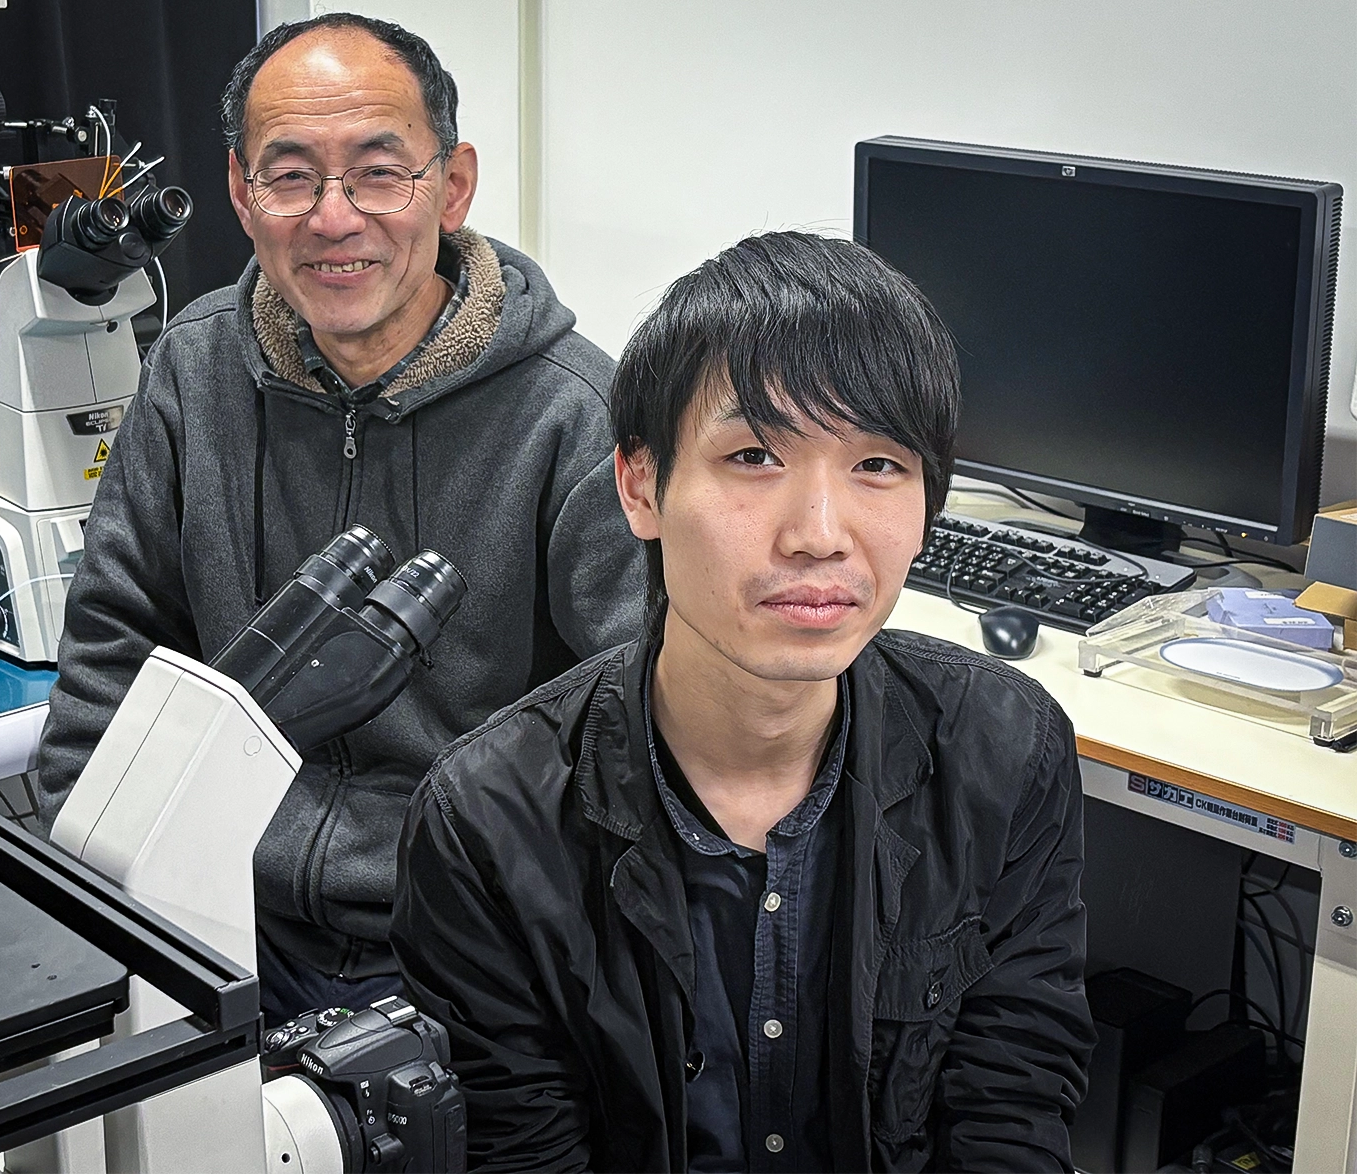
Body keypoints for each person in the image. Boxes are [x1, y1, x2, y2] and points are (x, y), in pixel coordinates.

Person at [393, 232, 1096, 1172]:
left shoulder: (1007, 752)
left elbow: (1010, 1108)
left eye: (878, 465)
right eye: (756, 455)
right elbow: (524, 1153)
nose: (818, 535)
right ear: (640, 485)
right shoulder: (488, 824)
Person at [35, 13, 642, 1023]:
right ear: (239, 192)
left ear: (450, 187)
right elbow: (112, 658)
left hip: (468, 946)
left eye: (377, 172)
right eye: (289, 176)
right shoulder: (192, 371)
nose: (332, 218)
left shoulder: (576, 417)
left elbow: (638, 746)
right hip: (214, 917)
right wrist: (96, 886)